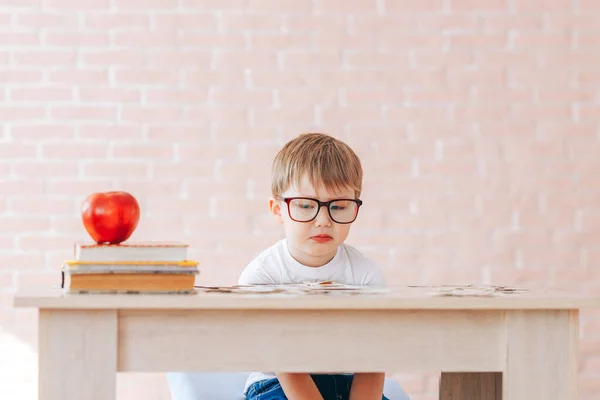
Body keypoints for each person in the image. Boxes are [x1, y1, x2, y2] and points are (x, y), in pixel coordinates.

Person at [239, 132, 389, 400]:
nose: (323, 220)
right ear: (277, 210)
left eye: (339, 207)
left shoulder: (365, 274)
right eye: (306, 205)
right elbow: (280, 358)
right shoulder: (262, 275)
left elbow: (372, 360)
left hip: (346, 382)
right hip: (276, 384)